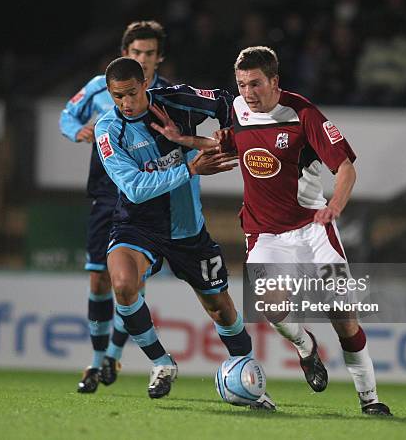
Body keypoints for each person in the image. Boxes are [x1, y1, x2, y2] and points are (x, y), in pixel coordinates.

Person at [214, 46, 392, 416]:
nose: (248, 93)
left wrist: (335, 206)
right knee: (271, 307)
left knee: (343, 316)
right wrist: (188, 145)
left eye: (256, 84)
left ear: (275, 81)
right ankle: (306, 347)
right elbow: (230, 146)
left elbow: (345, 167)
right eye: (242, 84)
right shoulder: (237, 109)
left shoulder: (304, 114)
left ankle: (370, 399)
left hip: (312, 229)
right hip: (264, 234)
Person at [94, 57, 274, 409]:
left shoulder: (175, 99)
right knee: (123, 284)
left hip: (187, 229)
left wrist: (225, 128)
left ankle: (251, 380)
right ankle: (162, 363)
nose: (126, 103)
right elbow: (134, 188)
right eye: (117, 97)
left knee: (221, 310)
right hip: (137, 225)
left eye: (131, 93)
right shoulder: (108, 130)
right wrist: (190, 168)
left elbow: (224, 100)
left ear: (145, 83)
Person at [59, 21, 171, 394]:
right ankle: (96, 360)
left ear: (159, 59)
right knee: (97, 279)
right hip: (106, 195)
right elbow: (67, 115)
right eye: (137, 52)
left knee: (130, 281)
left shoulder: (167, 95)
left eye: (150, 54)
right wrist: (78, 131)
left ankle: (113, 354)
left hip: (146, 201)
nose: (143, 59)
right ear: (126, 55)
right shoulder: (99, 87)